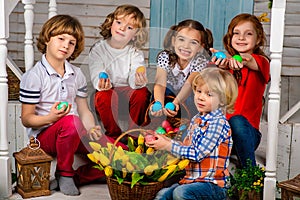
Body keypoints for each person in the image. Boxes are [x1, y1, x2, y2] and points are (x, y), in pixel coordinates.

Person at [19, 15, 116, 196]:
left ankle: (79, 177)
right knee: (71, 122)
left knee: (117, 153)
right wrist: (51, 118)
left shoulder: (76, 74)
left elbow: (83, 109)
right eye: (61, 39)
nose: (66, 45)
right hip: (44, 138)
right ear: (47, 39)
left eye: (71, 43)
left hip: (74, 131)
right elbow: (27, 119)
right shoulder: (34, 76)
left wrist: (92, 127)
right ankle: (64, 172)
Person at [146, 67, 238, 200]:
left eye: (209, 94)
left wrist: (167, 146)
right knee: (163, 194)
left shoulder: (218, 123)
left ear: (222, 100)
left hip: (213, 185)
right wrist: (166, 141)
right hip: (190, 181)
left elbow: (196, 154)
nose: (201, 97)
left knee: (182, 193)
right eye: (199, 91)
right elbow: (186, 148)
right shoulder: (196, 120)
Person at [211, 13, 270, 167]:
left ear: (257, 40)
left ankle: (249, 174)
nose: (241, 38)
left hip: (248, 134)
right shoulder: (228, 67)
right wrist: (220, 66)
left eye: (248, 34)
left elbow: (249, 60)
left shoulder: (261, 62)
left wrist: (237, 59)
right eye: (236, 33)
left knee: (236, 120)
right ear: (230, 37)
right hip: (226, 135)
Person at [89, 4, 151, 140]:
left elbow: (136, 69)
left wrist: (138, 78)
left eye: (129, 27)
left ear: (135, 35)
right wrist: (101, 81)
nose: (122, 28)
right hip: (108, 93)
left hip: (128, 94)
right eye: (118, 22)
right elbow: (96, 69)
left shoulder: (135, 52)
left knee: (142, 93)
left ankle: (133, 134)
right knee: (103, 96)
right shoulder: (98, 49)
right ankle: (113, 134)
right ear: (111, 24)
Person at [150, 19, 213, 121]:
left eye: (193, 42)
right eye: (181, 39)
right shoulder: (165, 57)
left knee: (194, 94)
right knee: (163, 90)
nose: (186, 46)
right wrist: (159, 104)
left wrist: (175, 103)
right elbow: (160, 84)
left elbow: (188, 84)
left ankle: (187, 121)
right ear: (174, 41)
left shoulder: (200, 61)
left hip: (187, 97)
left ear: (201, 47)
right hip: (169, 94)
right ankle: (161, 121)